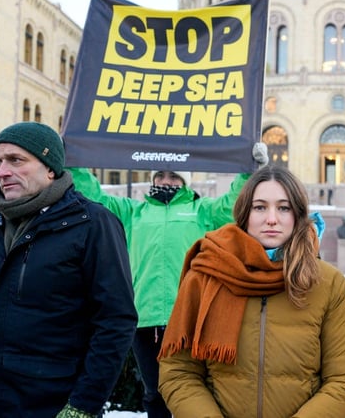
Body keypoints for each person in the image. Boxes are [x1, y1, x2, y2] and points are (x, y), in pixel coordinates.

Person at [66, 143, 267, 418]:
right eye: (160, 176)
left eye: (173, 176)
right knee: (154, 391)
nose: (165, 181)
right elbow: (94, 196)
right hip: (145, 318)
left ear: (184, 181)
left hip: (189, 318)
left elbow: (234, 203)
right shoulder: (132, 213)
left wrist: (250, 171)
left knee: (192, 391)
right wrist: (73, 162)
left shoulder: (202, 211)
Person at [0, 122, 137, 418]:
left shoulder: (92, 224)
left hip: (52, 404)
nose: (2, 171)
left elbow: (115, 322)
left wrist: (81, 406)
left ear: (50, 167)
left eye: (16, 160)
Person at [157, 164, 345, 417]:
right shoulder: (205, 275)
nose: (271, 219)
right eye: (260, 207)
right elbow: (179, 372)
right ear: (244, 214)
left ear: (297, 215)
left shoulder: (328, 284)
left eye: (283, 207)